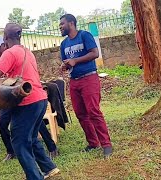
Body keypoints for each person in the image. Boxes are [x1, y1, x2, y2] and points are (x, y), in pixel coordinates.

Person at [0, 23, 60, 180]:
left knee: (19, 142)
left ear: (5, 38)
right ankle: (49, 168)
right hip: (40, 98)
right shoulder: (27, 52)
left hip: (27, 102)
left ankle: (34, 177)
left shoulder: (9, 53)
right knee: (31, 138)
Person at [59, 14, 113, 158]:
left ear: (71, 23)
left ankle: (106, 145)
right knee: (80, 113)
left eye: (62, 24)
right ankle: (93, 142)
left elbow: (95, 53)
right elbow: (67, 61)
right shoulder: (64, 44)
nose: (60, 27)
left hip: (89, 78)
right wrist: (64, 66)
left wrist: (75, 61)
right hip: (74, 81)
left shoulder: (85, 35)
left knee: (93, 111)